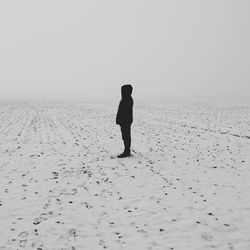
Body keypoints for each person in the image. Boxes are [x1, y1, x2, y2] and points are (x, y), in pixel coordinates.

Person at [116, 84, 134, 158]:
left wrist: (120, 120)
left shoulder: (127, 99)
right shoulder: (126, 98)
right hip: (125, 121)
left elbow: (124, 112)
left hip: (125, 121)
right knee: (125, 136)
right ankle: (127, 151)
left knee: (126, 136)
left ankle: (126, 151)